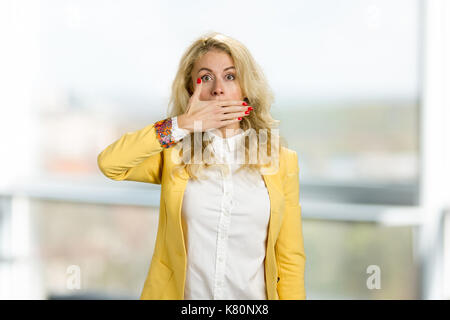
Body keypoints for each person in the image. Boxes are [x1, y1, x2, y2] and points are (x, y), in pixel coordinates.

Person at [97, 32, 306, 300]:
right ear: (190, 91)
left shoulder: (282, 161)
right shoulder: (175, 155)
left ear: (246, 88)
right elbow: (110, 163)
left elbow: (290, 261)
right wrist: (182, 124)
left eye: (230, 76)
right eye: (205, 78)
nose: (218, 88)